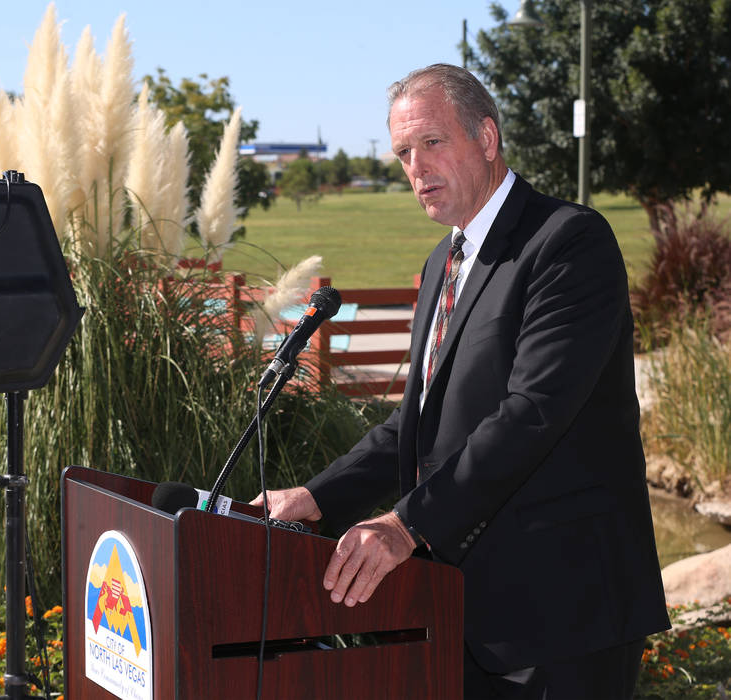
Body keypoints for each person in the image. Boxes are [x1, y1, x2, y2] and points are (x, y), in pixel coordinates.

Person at [251, 64, 670, 699]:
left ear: (487, 137)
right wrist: (316, 496)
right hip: (464, 611)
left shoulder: (568, 242)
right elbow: (414, 424)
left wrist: (402, 525)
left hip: (566, 615)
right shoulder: (444, 259)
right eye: (402, 152)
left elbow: (533, 413)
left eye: (432, 142)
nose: (415, 166)